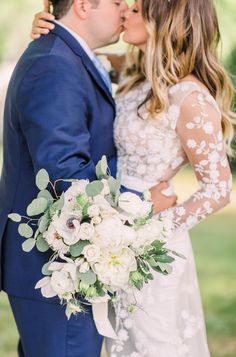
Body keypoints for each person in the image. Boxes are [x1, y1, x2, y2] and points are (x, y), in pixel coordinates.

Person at [32, 0, 235, 356]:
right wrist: (52, 30)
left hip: (151, 244)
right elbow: (81, 57)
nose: (126, 11)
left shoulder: (191, 98)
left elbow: (219, 189)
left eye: (137, 10)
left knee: (152, 343)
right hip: (112, 237)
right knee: (119, 343)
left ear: (166, 23)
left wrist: (149, 227)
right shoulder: (135, 75)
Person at [0, 1, 176, 357]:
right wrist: (143, 203)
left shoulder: (67, 55)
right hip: (54, 266)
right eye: (116, 2)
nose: (125, 9)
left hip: (63, 261)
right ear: (82, 5)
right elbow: (66, 177)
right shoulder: (54, 64)